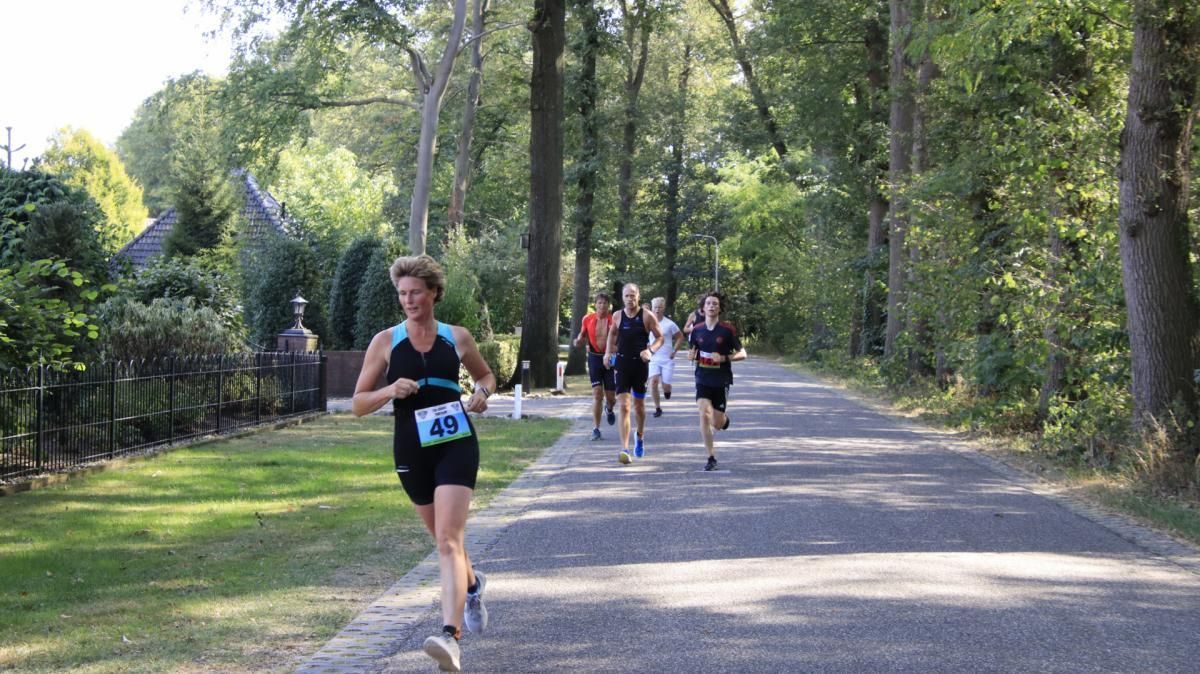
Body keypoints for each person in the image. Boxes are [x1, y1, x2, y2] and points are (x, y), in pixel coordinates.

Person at [352, 255, 496, 673]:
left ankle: (450, 637)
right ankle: (473, 585)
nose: (409, 300)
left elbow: (486, 377)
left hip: (456, 443)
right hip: (411, 449)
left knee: (448, 540)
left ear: (434, 292)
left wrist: (482, 394)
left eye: (416, 292)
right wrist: (389, 390)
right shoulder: (385, 342)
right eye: (402, 294)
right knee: (445, 539)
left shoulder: (457, 337)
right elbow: (358, 403)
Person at [604, 282, 664, 464]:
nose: (630, 299)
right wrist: (607, 353)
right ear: (622, 298)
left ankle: (640, 435)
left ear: (638, 296)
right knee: (624, 405)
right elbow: (612, 334)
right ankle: (624, 449)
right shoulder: (617, 316)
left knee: (639, 406)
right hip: (622, 364)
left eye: (633, 295)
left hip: (640, 365)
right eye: (626, 296)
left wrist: (650, 351)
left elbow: (660, 337)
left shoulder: (647, 316)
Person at [688, 291, 747, 471]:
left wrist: (723, 358)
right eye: (708, 303)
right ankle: (711, 457)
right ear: (703, 308)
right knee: (703, 413)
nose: (712, 306)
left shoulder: (727, 330)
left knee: (717, 423)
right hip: (702, 378)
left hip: (721, 379)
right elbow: (693, 352)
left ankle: (724, 420)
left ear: (719, 308)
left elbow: (743, 353)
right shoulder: (696, 330)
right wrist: (691, 356)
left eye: (715, 304)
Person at [572, 291, 618, 440]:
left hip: (610, 359)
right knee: (598, 394)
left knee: (611, 398)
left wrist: (617, 348)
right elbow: (582, 335)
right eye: (599, 303)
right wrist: (578, 341)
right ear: (595, 304)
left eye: (605, 303)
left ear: (608, 305)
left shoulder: (614, 319)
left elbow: (621, 339)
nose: (602, 306)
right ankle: (596, 429)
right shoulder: (587, 319)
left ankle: (609, 408)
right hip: (594, 359)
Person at [648, 296, 685, 418]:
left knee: (666, 385)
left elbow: (680, 337)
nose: (657, 310)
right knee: (653, 382)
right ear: (652, 308)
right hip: (653, 357)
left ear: (663, 308)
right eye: (655, 307)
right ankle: (657, 408)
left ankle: (667, 390)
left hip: (667, 358)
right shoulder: (648, 322)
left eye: (660, 307)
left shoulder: (669, 324)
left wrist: (674, 351)